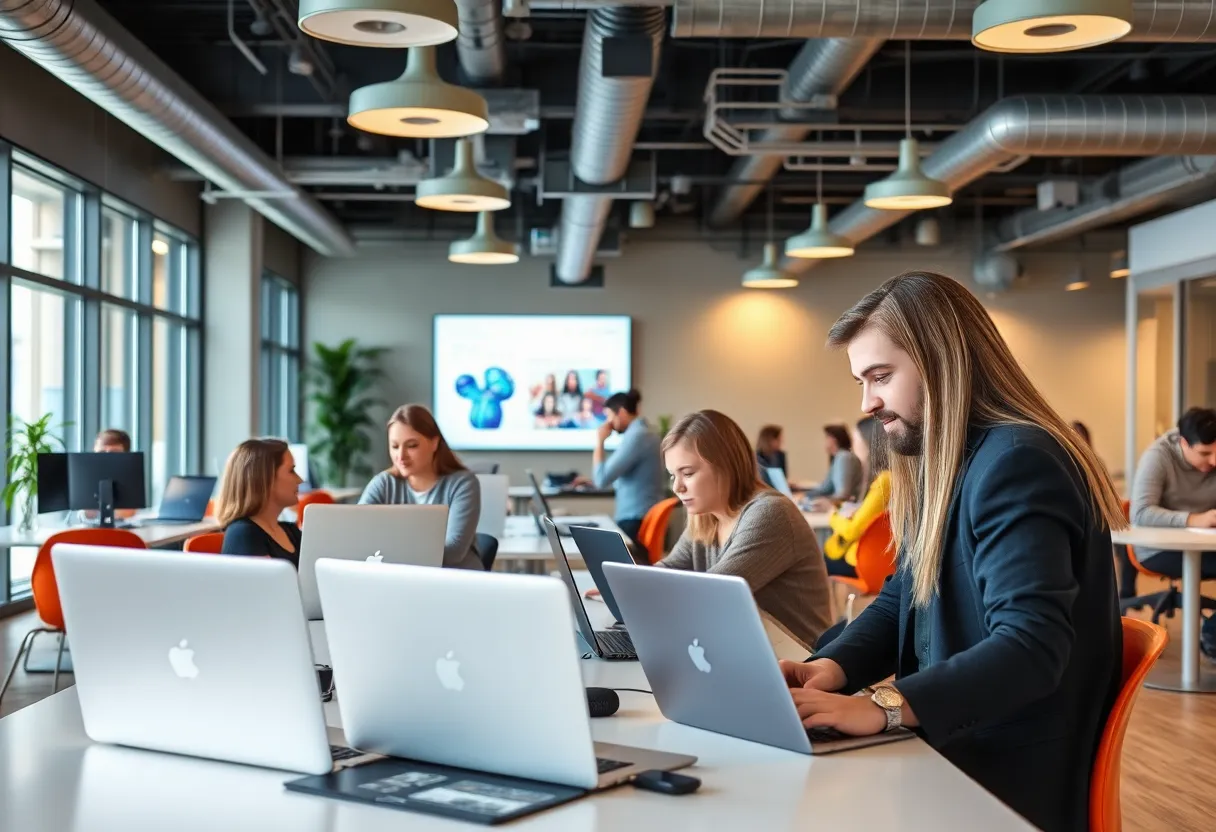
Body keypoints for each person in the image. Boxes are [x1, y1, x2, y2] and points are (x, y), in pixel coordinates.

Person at [781, 271, 1123, 832]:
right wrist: (831, 669)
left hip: (1001, 775)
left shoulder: (1018, 461)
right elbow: (902, 599)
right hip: (952, 744)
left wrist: (881, 707)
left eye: (880, 376)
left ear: (941, 362)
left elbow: (1031, 647)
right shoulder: (949, 463)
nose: (867, 402)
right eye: (861, 382)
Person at [658, 410, 833, 649]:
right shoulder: (705, 517)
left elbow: (712, 593)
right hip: (738, 648)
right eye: (672, 475)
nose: (677, 487)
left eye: (687, 473)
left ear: (726, 466)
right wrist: (627, 585)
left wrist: (642, 595)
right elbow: (669, 569)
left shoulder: (770, 513)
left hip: (796, 663)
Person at [1129, 407, 1216, 655]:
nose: (1213, 461)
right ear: (1183, 442)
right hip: (1159, 549)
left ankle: (1212, 634)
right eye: (1204, 453)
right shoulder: (1159, 456)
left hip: (1207, 546)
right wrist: (1193, 519)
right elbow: (1141, 513)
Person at [359, 404, 482, 570]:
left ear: (434, 443)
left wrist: (389, 550)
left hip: (453, 581)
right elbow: (357, 535)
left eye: (411, 446)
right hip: (401, 580)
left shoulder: (463, 484)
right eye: (395, 446)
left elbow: (454, 551)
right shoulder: (384, 483)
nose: (401, 456)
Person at [578, 389, 665, 551]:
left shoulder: (637, 436)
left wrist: (600, 440)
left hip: (635, 521)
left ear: (622, 413)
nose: (608, 422)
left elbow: (602, 480)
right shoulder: (644, 432)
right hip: (640, 516)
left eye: (610, 416)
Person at [822, 416, 891, 579]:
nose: (852, 444)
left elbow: (852, 531)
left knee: (819, 560)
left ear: (868, 442)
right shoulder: (883, 478)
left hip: (863, 561)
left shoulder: (885, 481)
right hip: (869, 556)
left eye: (855, 438)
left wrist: (832, 514)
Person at [217, 438, 303, 565]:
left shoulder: (291, 531)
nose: (300, 479)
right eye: (291, 470)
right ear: (265, 478)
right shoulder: (243, 534)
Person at [803, 424, 864, 506]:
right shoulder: (838, 457)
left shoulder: (844, 457)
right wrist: (804, 494)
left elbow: (843, 495)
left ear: (833, 439)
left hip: (847, 509)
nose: (824, 441)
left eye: (826, 438)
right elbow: (826, 488)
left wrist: (825, 502)